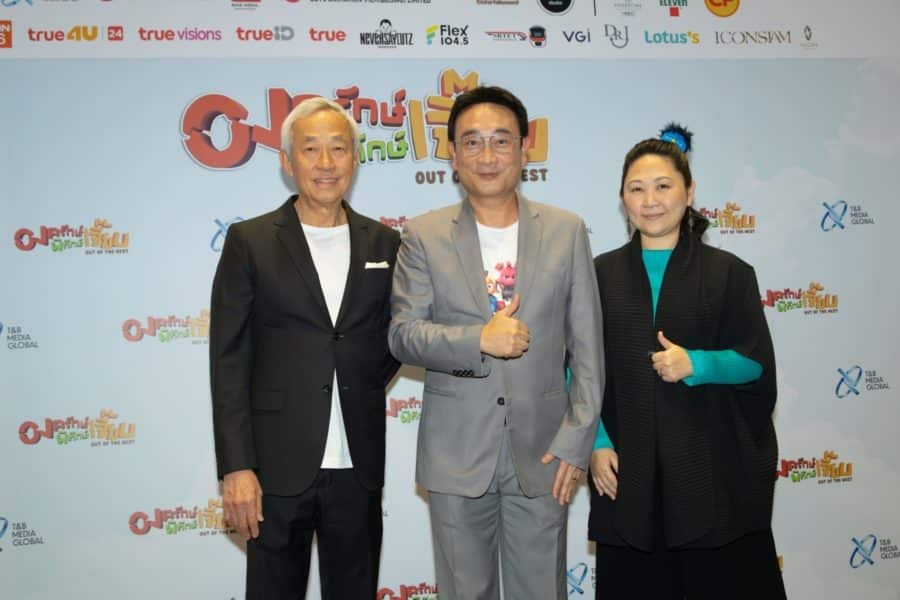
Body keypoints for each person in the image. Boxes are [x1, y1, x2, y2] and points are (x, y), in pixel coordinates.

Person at [389, 86, 604, 600]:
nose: (487, 155)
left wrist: (576, 443)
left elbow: (588, 350)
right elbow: (403, 334)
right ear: (453, 154)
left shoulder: (566, 230)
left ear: (525, 148)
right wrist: (478, 340)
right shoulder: (423, 235)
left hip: (545, 454)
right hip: (456, 454)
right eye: (472, 142)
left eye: (501, 140)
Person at [209, 97, 400, 599]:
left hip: (358, 467)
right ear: (286, 161)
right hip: (274, 467)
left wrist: (354, 378)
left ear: (354, 159)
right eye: (311, 149)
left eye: (338, 148)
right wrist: (237, 466)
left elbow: (395, 338)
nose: (326, 162)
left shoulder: (385, 243)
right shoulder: (250, 241)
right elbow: (228, 361)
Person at [588, 125, 786, 599]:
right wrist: (595, 442)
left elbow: (755, 364)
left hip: (713, 474)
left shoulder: (729, 273)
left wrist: (697, 364)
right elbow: (578, 368)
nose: (650, 201)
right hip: (628, 476)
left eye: (663, 186)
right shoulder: (598, 274)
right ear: (622, 198)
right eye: (637, 189)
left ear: (689, 191)